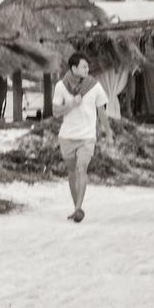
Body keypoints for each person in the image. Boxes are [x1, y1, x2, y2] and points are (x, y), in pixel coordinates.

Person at [51, 51, 110, 223]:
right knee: (71, 173)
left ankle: (78, 208)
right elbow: (55, 112)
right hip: (67, 136)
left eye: (87, 66)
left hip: (87, 137)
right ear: (74, 68)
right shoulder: (61, 87)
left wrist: (108, 132)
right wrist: (71, 104)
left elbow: (102, 112)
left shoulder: (94, 85)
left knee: (81, 169)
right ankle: (75, 206)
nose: (87, 69)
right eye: (84, 66)